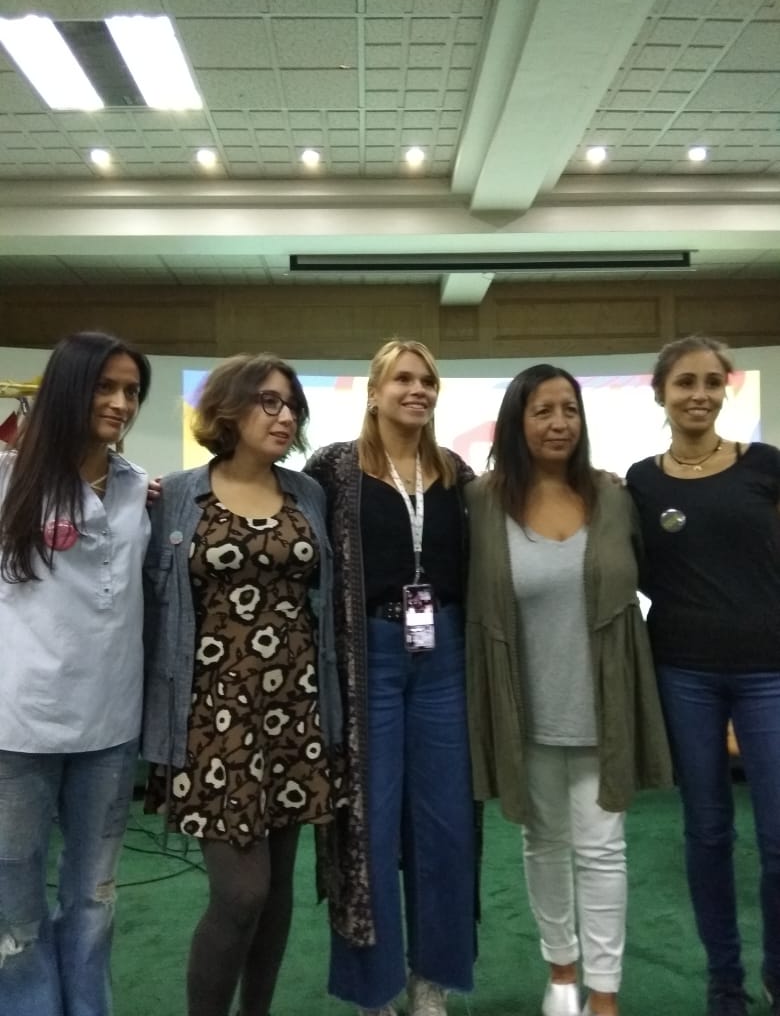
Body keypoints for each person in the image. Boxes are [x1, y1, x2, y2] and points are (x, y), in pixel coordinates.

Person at [466, 364, 672, 1016]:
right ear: (516, 422)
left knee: (603, 851)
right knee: (544, 844)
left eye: (570, 410)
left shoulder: (614, 498)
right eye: (543, 411)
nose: (559, 423)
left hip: (602, 707)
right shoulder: (481, 502)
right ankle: (561, 974)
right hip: (523, 711)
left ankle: (603, 992)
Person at [141, 353, 342, 1016]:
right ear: (228, 409)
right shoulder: (178, 494)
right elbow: (148, 600)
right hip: (212, 714)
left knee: (277, 891)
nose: (284, 417)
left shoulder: (306, 494)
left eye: (291, 406)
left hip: (295, 707)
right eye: (268, 401)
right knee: (241, 893)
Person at [305, 339, 476, 1016]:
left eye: (427, 380)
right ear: (374, 392)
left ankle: (431, 978)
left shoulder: (456, 472)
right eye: (403, 379)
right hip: (367, 657)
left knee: (445, 825)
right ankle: (373, 989)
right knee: (367, 823)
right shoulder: (334, 468)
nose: (417, 389)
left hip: (444, 656)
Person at [626, 336, 780, 1016]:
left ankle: (778, 972)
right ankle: (725, 981)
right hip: (684, 671)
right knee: (709, 832)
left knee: (777, 839)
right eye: (685, 382)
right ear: (660, 392)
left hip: (769, 671)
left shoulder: (765, 466)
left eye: (712, 382)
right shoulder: (641, 481)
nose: (699, 394)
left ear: (726, 390)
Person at [0, 331, 152, 1016]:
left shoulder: (137, 488)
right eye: (105, 387)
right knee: (15, 909)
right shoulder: (9, 478)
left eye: (131, 391)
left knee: (93, 900)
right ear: (68, 389)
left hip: (110, 730)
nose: (121, 403)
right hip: (18, 729)